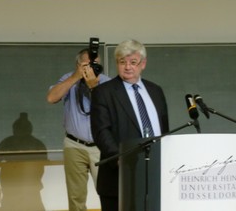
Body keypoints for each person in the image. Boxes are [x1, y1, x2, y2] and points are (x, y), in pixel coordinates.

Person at [90, 39, 169, 211]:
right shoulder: (103, 93)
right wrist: (120, 159)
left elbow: (164, 129)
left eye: (133, 62)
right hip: (119, 175)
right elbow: (101, 131)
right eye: (122, 62)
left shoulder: (156, 91)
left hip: (154, 173)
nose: (127, 67)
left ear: (143, 64)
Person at [47, 48, 110, 211]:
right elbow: (51, 97)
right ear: (78, 64)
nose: (91, 68)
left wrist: (94, 87)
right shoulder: (68, 79)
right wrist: (76, 76)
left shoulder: (106, 82)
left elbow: (110, 111)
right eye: (86, 64)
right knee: (76, 197)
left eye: (95, 64)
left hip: (100, 146)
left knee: (108, 192)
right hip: (74, 145)